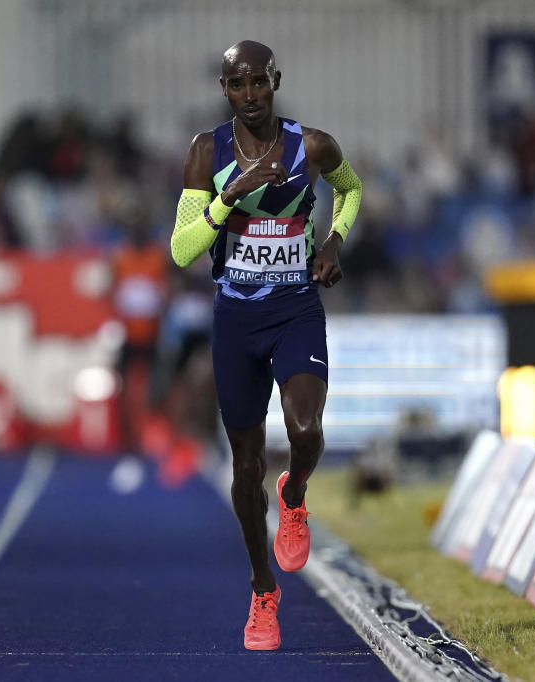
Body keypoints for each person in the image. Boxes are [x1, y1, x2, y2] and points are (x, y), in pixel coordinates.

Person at [170, 40, 361, 650]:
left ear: (275, 80)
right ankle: (262, 591)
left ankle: (296, 493)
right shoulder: (207, 153)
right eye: (236, 84)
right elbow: (181, 250)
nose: (249, 94)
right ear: (224, 90)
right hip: (236, 320)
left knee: (306, 433)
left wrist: (332, 241)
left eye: (259, 82)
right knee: (246, 463)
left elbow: (351, 190)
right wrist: (233, 194)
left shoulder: (313, 146)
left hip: (295, 310)